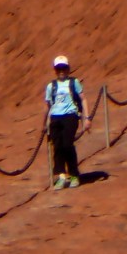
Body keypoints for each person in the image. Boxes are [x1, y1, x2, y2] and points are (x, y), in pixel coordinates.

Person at [44, 55, 91, 190]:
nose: (61, 71)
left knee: (67, 144)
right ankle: (61, 176)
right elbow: (48, 106)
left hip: (70, 116)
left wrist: (86, 119)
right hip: (55, 117)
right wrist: (45, 123)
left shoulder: (74, 82)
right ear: (55, 70)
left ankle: (74, 174)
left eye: (64, 68)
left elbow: (83, 99)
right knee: (57, 146)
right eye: (59, 68)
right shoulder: (51, 86)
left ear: (68, 68)